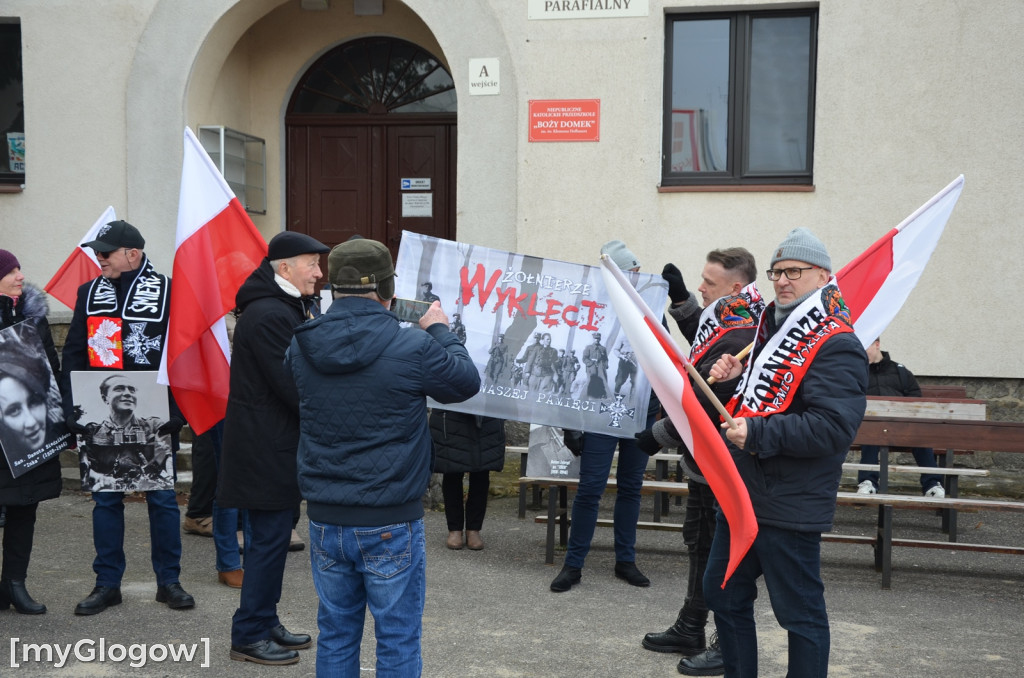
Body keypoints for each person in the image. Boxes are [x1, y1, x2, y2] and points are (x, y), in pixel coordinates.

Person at [286, 237, 480, 676]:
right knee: (396, 637)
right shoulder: (412, 345)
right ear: (389, 291)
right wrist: (438, 328)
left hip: (326, 515)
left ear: (333, 288)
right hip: (390, 515)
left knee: (335, 633)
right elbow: (465, 381)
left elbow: (292, 380)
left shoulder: (302, 344)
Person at [706, 228, 868, 677]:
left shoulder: (837, 344)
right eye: (777, 272)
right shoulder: (769, 331)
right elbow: (765, 401)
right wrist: (735, 375)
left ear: (823, 277)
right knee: (723, 594)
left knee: (800, 616)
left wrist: (756, 434)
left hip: (791, 503)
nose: (782, 281)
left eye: (794, 272)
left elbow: (833, 428)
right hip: (744, 496)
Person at [635, 248, 761, 676]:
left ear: (736, 288)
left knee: (718, 553)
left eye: (708, 282)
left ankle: (726, 644)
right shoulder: (730, 319)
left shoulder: (744, 335)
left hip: (721, 464)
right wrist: (683, 300)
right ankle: (690, 626)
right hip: (702, 464)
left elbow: (707, 401)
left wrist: (655, 437)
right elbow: (704, 344)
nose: (702, 287)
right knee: (699, 543)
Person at [59, 220, 192, 616]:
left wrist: (179, 411)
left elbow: (183, 354)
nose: (98, 258)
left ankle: (169, 581)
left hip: (156, 414)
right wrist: (71, 407)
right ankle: (107, 584)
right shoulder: (88, 293)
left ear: (132, 254)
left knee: (163, 501)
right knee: (106, 502)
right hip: (100, 413)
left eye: (106, 252)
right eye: (97, 252)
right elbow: (74, 356)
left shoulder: (168, 291)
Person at [217, 231, 329, 666]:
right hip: (266, 449)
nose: (320, 274)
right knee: (266, 543)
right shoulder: (268, 315)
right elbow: (292, 385)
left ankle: (264, 620)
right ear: (284, 268)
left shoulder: (286, 307)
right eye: (312, 265)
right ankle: (248, 634)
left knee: (275, 539)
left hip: (278, 445)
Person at [549, 240, 660, 593]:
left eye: (637, 272)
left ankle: (625, 560)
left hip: (641, 412)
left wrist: (658, 412)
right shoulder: (592, 310)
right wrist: (572, 421)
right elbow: (577, 367)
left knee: (630, 488)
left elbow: (664, 359)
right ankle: (573, 565)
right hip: (600, 412)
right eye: (629, 272)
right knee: (590, 488)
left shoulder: (650, 307)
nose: (635, 278)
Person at [0, 249, 63, 615]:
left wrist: (59, 419)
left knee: (25, 508)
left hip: (28, 433)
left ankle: (15, 583)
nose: (20, 276)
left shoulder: (33, 317)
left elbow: (50, 371)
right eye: (11, 271)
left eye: (20, 269)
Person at [856, 337, 944, 497]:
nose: (862, 352)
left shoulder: (900, 371)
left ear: (877, 345)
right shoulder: (857, 372)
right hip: (871, 428)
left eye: (865, 346)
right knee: (871, 434)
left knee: (921, 436)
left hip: (901, 427)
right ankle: (867, 482)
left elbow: (916, 400)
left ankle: (932, 485)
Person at [78, 374, 173, 491]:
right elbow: (86, 467)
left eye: (132, 390)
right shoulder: (92, 432)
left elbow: (167, 457)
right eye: (119, 388)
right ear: (105, 398)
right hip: (108, 490)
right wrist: (101, 479)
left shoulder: (153, 426)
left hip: (152, 487)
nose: (128, 393)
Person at [430, 410, 506, 551]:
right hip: (452, 410)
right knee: (452, 469)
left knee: (481, 472)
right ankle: (455, 529)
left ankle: (474, 529)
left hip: (486, 412)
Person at [581, 331, 609, 398]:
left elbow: (606, 359)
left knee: (601, 381)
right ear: (593, 339)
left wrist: (605, 366)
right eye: (595, 338)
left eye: (598, 338)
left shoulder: (603, 348)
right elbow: (584, 358)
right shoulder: (589, 347)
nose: (596, 340)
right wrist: (591, 363)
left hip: (600, 368)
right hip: (591, 368)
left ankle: (600, 396)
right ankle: (587, 396)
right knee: (591, 381)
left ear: (600, 339)